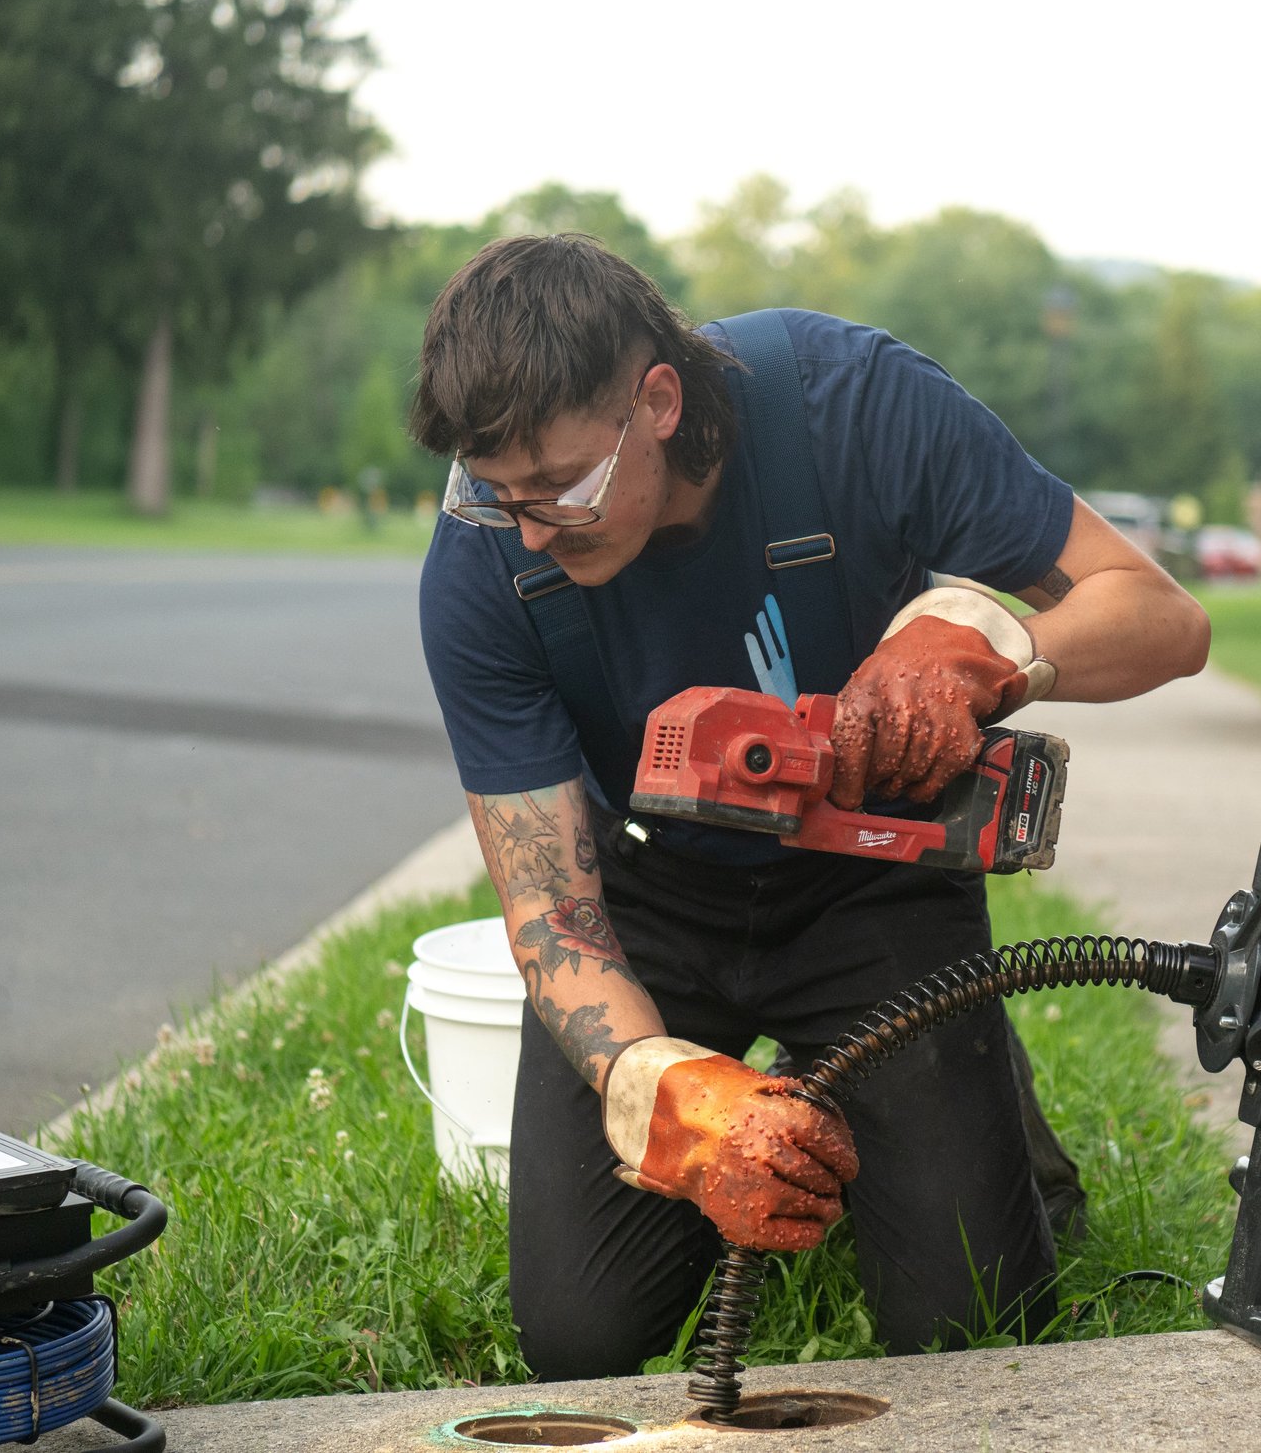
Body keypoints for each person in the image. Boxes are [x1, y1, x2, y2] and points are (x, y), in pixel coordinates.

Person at [407, 233, 1210, 1380]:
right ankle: (806, 1105)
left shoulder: (854, 406)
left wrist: (999, 648)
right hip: (651, 900)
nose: (533, 526)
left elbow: (1165, 618)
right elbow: (550, 917)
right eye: (502, 494)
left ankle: (986, 1117)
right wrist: (670, 1087)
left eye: (565, 488)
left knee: (970, 1324)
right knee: (579, 1333)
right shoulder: (484, 558)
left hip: (870, 881)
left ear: (661, 401)